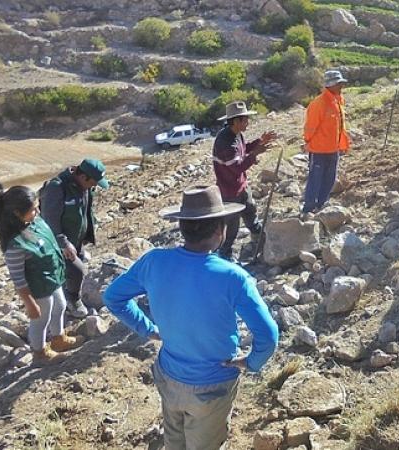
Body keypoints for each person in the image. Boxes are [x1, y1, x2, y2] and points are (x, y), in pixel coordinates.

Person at [103, 185, 279, 450]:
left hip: (168, 375)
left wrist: (147, 329)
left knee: (174, 441)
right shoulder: (234, 277)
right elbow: (268, 335)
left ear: (182, 227)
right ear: (220, 231)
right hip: (213, 385)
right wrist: (251, 363)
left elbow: (113, 297)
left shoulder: (154, 262)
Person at [0, 182, 84, 365]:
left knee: (59, 305)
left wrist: (62, 246)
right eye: (33, 209)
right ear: (17, 214)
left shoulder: (35, 222)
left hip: (52, 278)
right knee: (40, 319)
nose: (38, 212)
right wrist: (30, 303)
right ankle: (39, 352)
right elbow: (18, 279)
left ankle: (58, 339)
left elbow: (49, 240)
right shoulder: (15, 245)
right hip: (37, 288)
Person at [40, 158, 109, 318]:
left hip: (76, 240)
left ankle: (65, 289)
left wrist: (89, 230)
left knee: (75, 266)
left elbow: (86, 210)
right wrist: (63, 243)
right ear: (83, 176)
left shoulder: (84, 187)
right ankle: (73, 300)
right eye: (94, 182)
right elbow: (50, 221)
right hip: (58, 243)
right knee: (78, 271)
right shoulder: (57, 188)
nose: (95, 186)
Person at [212, 101, 277, 261]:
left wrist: (259, 142)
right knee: (232, 227)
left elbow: (244, 149)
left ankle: (259, 240)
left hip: (240, 186)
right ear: (236, 121)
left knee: (250, 211)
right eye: (245, 120)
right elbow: (237, 167)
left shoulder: (236, 134)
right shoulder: (225, 142)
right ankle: (225, 255)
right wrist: (255, 154)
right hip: (229, 191)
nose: (248, 123)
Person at [302, 70, 352, 215]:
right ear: (331, 85)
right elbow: (310, 127)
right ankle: (309, 208)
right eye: (339, 84)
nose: (342, 86)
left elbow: (340, 125)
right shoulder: (319, 103)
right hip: (318, 150)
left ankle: (321, 204)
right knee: (315, 179)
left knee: (330, 179)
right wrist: (307, 142)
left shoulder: (338, 101)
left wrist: (343, 143)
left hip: (333, 149)